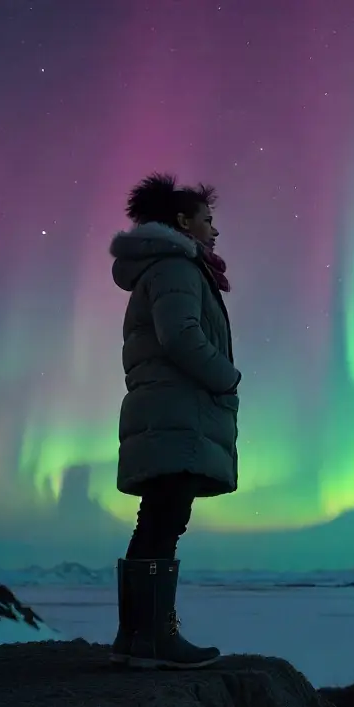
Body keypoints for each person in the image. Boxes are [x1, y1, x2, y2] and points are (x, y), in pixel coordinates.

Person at [106, 173, 240, 669]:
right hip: (176, 412)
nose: (215, 230)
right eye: (208, 220)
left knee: (159, 517)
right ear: (183, 222)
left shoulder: (169, 267)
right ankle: (156, 637)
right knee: (165, 519)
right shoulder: (177, 267)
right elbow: (180, 335)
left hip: (170, 412)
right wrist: (226, 377)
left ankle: (137, 636)